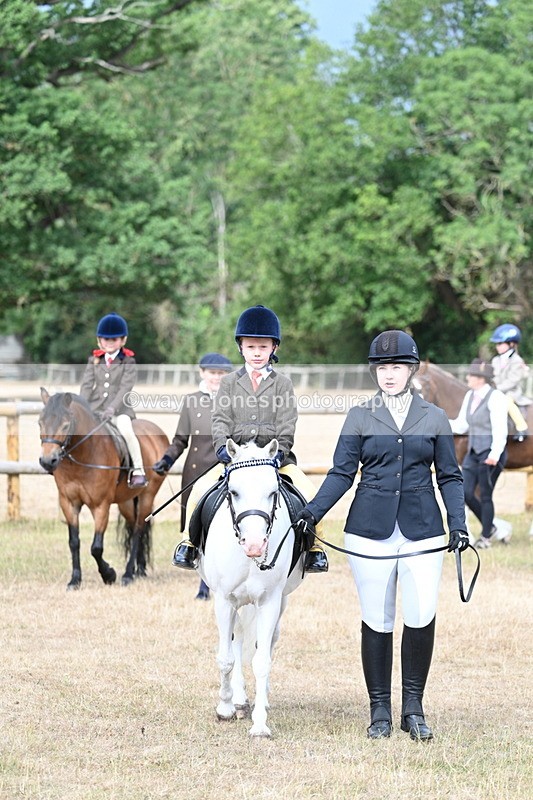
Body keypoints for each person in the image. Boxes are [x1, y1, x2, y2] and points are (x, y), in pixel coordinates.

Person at [295, 330, 468, 741]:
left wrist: (458, 523)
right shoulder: (359, 416)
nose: (389, 374)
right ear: (376, 371)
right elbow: (341, 473)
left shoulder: (435, 417)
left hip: (423, 529)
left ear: (411, 370)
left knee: (422, 614)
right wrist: (311, 513)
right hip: (369, 531)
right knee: (378, 618)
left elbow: (449, 476)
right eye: (383, 367)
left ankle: (413, 708)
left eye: (398, 367)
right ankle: (379, 711)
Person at [172, 304, 328, 573]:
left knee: (311, 493)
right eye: (251, 347)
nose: (257, 353)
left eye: (263, 347)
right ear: (241, 347)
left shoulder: (283, 384)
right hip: (237, 460)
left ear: (274, 348)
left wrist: (280, 451)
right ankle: (189, 544)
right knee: (199, 490)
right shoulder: (230, 383)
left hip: (275, 460)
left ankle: (315, 550)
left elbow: (287, 423)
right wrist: (222, 447)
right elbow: (219, 419)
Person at [152, 352, 233, 600]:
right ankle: (197, 568)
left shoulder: (236, 401)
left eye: (221, 374)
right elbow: (180, 441)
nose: (216, 378)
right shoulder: (191, 402)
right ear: (202, 373)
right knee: (199, 525)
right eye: (212, 373)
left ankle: (215, 581)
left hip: (224, 469)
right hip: (196, 470)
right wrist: (166, 459)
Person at [79, 312, 147, 488]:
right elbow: (87, 385)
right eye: (105, 339)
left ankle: (138, 470)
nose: (109, 343)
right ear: (98, 341)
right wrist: (81, 406)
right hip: (95, 408)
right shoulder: (94, 360)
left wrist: (112, 409)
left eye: (114, 339)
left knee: (126, 430)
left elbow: (125, 388)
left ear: (123, 340)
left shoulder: (128, 361)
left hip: (120, 410)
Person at [449, 358, 508, 549]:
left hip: (490, 453)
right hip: (473, 451)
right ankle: (490, 527)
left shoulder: (496, 397)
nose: (467, 377)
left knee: (485, 495)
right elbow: (462, 424)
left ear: (481, 378)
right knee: (465, 492)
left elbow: (500, 429)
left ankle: (485, 538)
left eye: (471, 375)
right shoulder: (470, 396)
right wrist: (440, 422)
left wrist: (494, 454)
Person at [490, 323, 530, 442]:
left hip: (512, 393)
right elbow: (494, 376)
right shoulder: (496, 360)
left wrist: (497, 388)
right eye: (497, 343)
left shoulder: (517, 361)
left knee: (507, 402)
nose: (497, 346)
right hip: (496, 390)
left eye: (500, 343)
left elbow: (512, 381)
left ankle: (522, 427)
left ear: (511, 344)